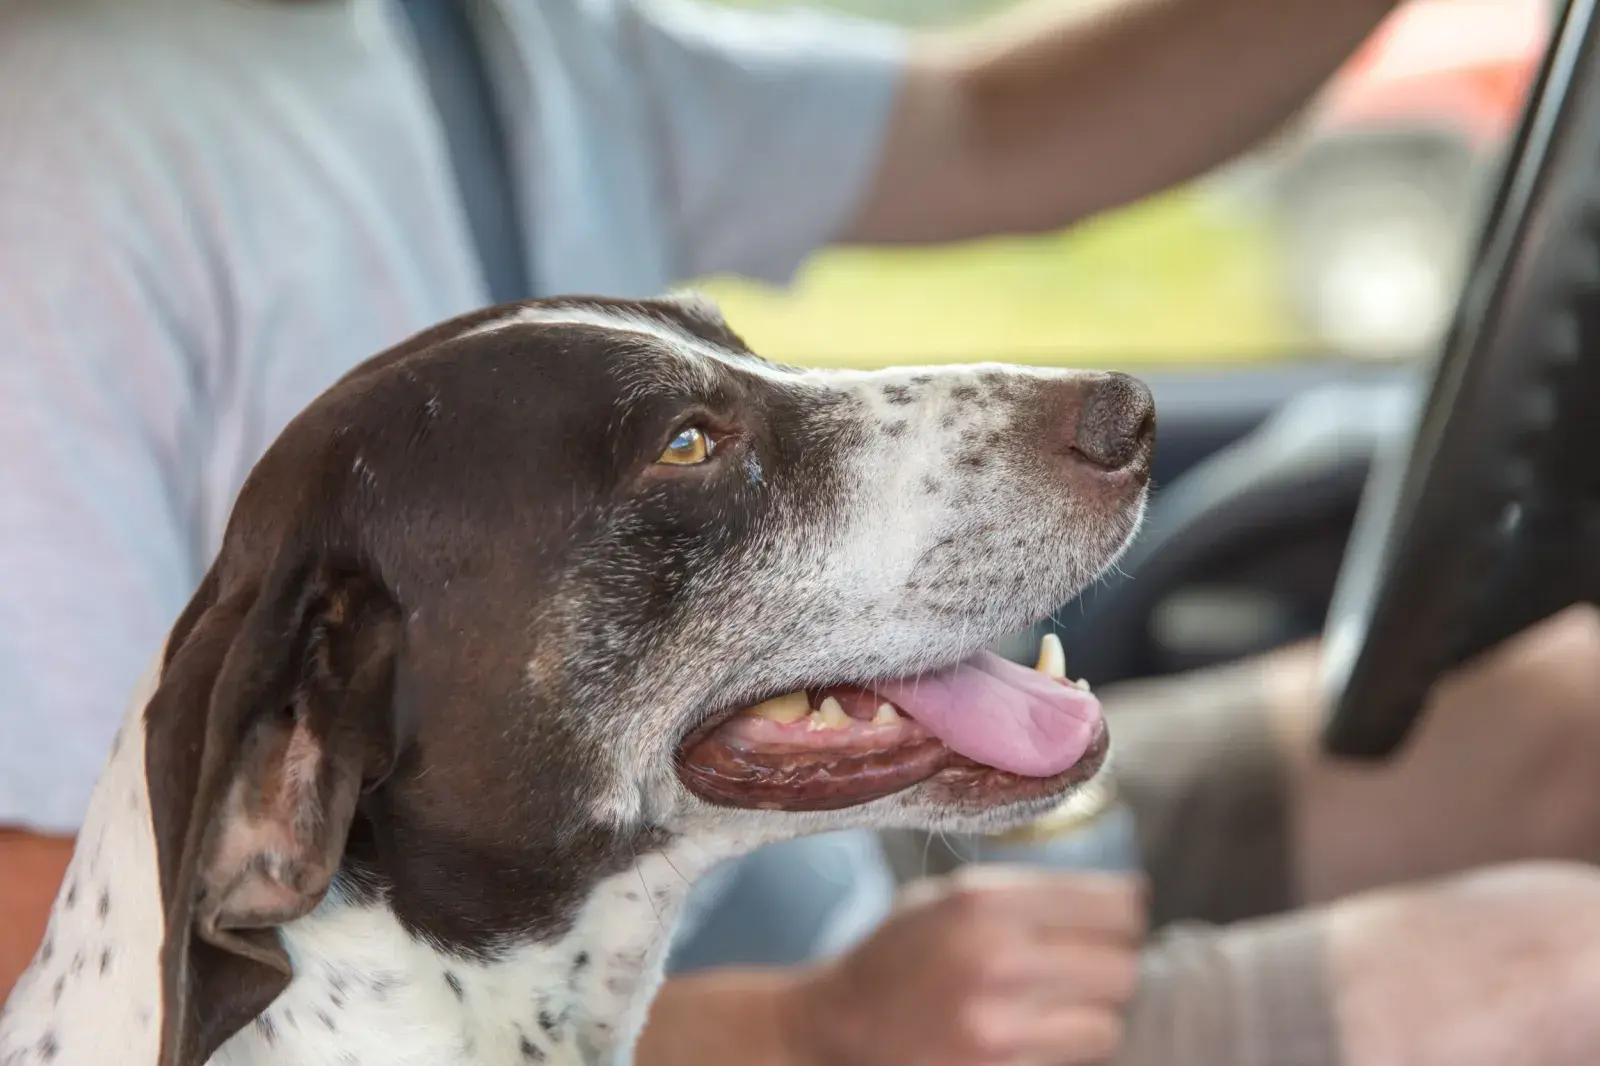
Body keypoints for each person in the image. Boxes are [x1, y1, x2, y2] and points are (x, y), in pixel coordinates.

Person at [9, 0, 1600, 1064]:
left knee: (1573, 709)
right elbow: (50, 941)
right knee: (1562, 970)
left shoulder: (485, 40)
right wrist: (811, 1029)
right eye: (693, 443)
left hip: (774, 880)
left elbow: (1004, 129)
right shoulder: (58, 184)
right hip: (803, 1007)